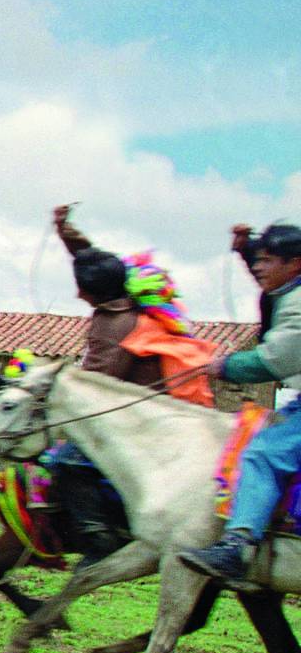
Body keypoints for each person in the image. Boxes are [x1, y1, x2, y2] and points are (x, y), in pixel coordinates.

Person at [50, 204, 215, 564]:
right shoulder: (128, 295)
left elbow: (96, 384)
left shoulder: (114, 328)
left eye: (80, 290)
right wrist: (67, 234)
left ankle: (99, 536)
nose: (78, 295)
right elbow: (97, 261)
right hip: (164, 408)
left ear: (88, 293)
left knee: (66, 462)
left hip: (143, 417)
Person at [179, 224, 301, 586]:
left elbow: (278, 358)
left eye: (266, 261)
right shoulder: (289, 289)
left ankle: (238, 547)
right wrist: (245, 250)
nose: (258, 268)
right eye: (256, 261)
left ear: (295, 264)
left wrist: (225, 365)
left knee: (263, 452)